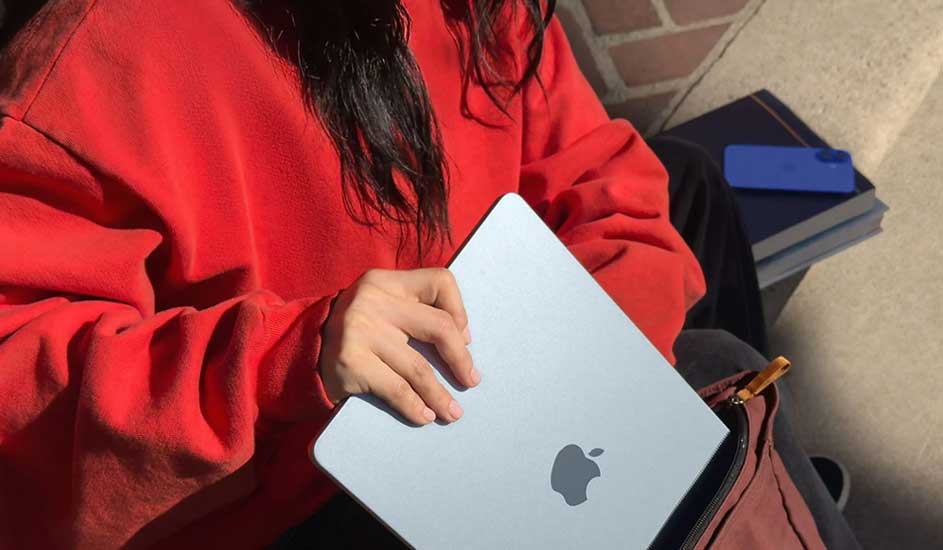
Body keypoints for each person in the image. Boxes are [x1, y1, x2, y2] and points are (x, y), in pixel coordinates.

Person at [0, 0, 858, 548]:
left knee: (691, 193)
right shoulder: (95, 69)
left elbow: (602, 176)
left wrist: (597, 383)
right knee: (712, 354)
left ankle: (737, 486)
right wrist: (283, 358)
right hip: (296, 489)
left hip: (490, 388)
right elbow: (26, 394)